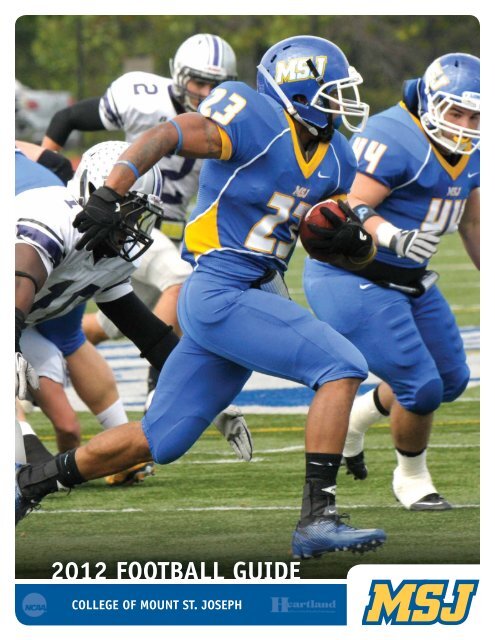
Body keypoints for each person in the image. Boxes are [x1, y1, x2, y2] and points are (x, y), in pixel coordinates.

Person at [16, 35, 387, 557]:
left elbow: (332, 242)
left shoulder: (338, 158)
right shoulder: (251, 117)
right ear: (297, 90)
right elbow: (167, 135)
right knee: (343, 366)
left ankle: (28, 485)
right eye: (330, 91)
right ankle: (318, 515)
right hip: (220, 287)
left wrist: (357, 246)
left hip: (257, 287)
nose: (340, 103)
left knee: (157, 441)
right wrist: (111, 191)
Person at [14, 144, 252, 503]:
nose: (133, 225)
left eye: (139, 213)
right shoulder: (52, 217)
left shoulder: (108, 253)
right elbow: (18, 280)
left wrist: (211, 394)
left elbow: (151, 336)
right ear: (93, 197)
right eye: (128, 210)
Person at [303, 52, 480, 511]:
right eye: (455, 111)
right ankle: (412, 478)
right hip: (351, 273)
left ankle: (359, 417)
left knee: (449, 379)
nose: (464, 124)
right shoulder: (395, 136)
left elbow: (474, 223)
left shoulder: (474, 147)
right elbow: (347, 203)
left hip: (411, 277)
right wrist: (392, 235)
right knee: (421, 388)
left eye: (475, 114)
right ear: (429, 102)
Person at [42, 34, 238, 404]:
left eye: (217, 85)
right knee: (178, 282)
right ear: (179, 76)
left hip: (168, 234)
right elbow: (66, 117)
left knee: (108, 326)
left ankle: (33, 347)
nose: (207, 91)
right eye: (199, 81)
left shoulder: (232, 122)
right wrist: (42, 171)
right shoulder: (142, 98)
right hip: (126, 223)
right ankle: (159, 392)